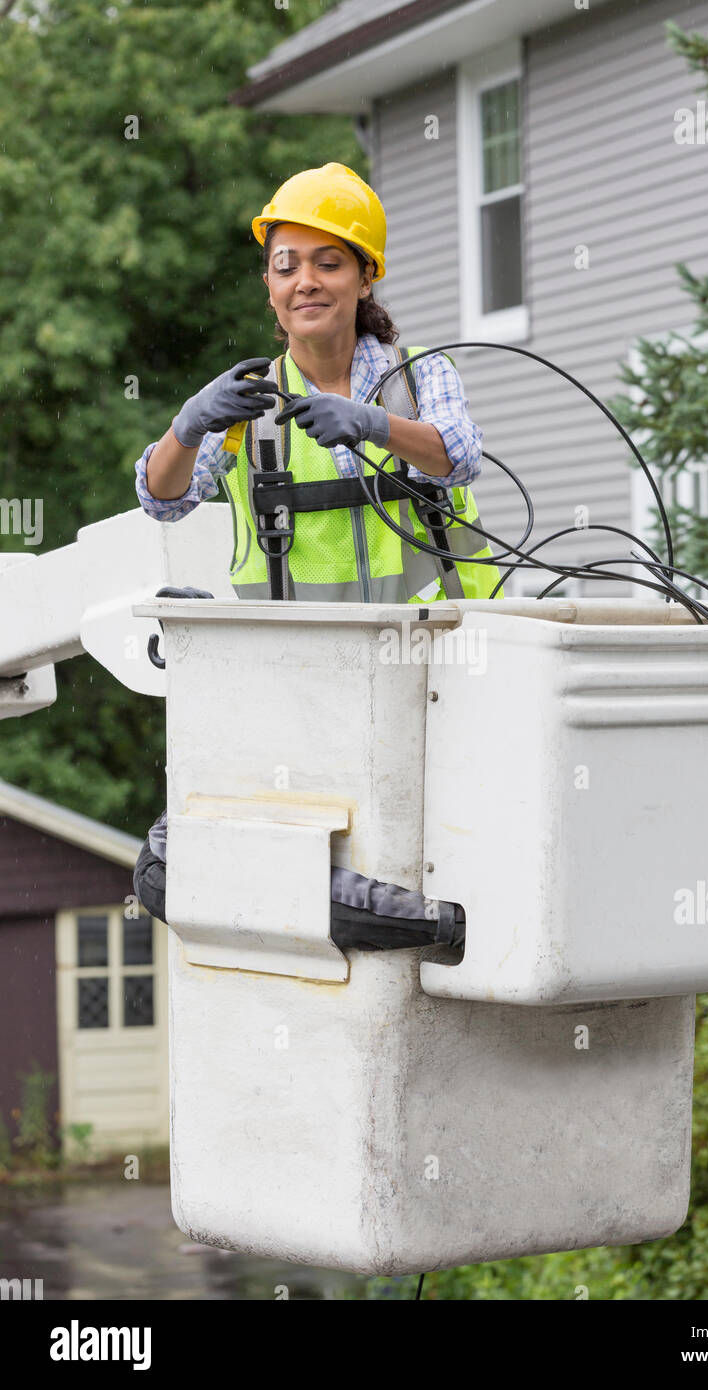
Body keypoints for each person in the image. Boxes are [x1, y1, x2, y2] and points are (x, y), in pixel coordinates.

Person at [131, 162, 497, 950]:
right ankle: (406, 922)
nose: (305, 281)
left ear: (365, 277)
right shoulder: (249, 402)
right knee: (169, 863)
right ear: (269, 287)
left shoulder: (416, 377)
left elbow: (459, 456)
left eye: (329, 262)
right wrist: (189, 423)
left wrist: (370, 425)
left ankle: (418, 921)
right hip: (303, 681)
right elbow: (165, 497)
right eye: (285, 264)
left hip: (435, 671)